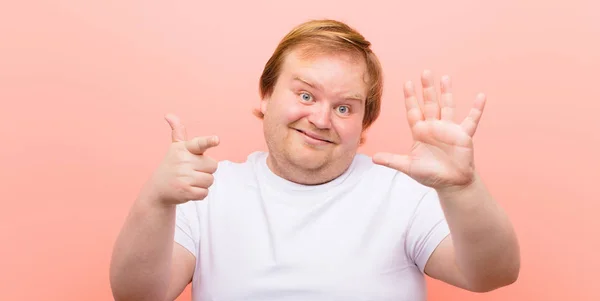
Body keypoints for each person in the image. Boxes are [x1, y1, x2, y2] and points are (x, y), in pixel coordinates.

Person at [109, 19, 520, 301]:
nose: (321, 119)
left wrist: (463, 189)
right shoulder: (207, 191)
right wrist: (156, 200)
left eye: (344, 108)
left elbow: (492, 274)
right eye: (305, 95)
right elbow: (139, 295)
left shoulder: (403, 193)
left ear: (364, 123)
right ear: (267, 95)